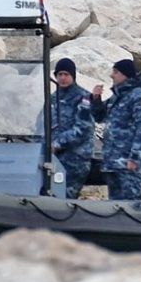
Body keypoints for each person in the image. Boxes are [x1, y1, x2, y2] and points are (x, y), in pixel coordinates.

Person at [91, 58, 141, 201]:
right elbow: (99, 116)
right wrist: (96, 99)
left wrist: (135, 158)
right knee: (114, 205)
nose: (112, 75)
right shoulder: (117, 97)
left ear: (125, 74)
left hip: (127, 163)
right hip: (112, 162)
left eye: (115, 72)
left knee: (131, 204)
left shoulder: (139, 97)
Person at [50, 58, 95, 199]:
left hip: (74, 159)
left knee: (64, 198)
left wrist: (57, 143)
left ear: (73, 76)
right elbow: (41, 123)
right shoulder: (53, 98)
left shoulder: (83, 98)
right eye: (60, 74)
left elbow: (83, 129)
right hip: (53, 159)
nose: (63, 78)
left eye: (66, 74)